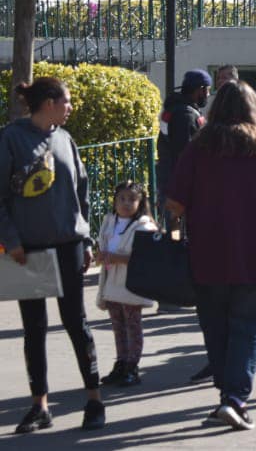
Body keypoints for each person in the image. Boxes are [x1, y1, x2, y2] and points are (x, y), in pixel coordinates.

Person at [167, 80, 256, 431]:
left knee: (216, 327)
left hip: (210, 252)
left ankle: (226, 396)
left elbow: (175, 203)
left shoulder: (200, 147)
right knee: (249, 328)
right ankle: (235, 399)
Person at [0, 77, 105, 433]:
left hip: (68, 245)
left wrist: (86, 238)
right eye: (67, 100)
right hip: (26, 250)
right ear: (48, 102)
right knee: (34, 329)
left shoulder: (65, 139)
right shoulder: (11, 138)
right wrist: (10, 238)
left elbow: (83, 191)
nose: (70, 106)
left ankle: (94, 400)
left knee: (77, 323)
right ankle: (39, 405)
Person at [96, 181, 157, 388]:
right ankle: (121, 362)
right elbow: (103, 245)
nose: (126, 203)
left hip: (130, 284)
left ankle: (132, 366)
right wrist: (101, 255)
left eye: (132, 199)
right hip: (111, 283)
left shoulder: (144, 225)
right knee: (118, 326)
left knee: (132, 325)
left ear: (140, 203)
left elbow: (144, 257)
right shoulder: (109, 221)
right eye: (121, 198)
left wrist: (115, 258)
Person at [157, 69, 211, 232]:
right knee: (178, 235)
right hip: (179, 189)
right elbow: (185, 155)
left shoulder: (178, 109)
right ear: (200, 90)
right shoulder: (185, 115)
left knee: (176, 233)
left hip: (171, 184)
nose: (208, 95)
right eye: (207, 90)